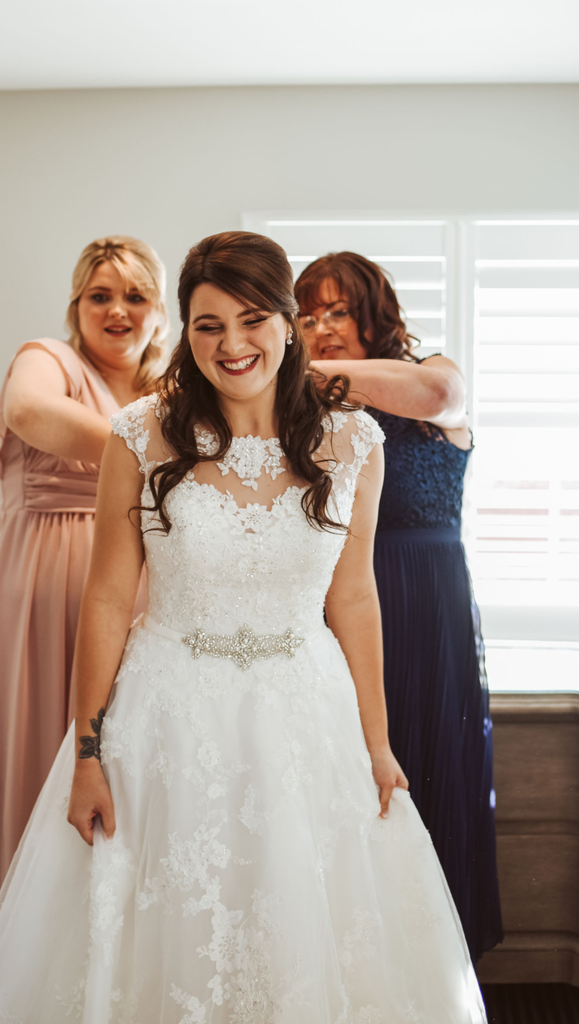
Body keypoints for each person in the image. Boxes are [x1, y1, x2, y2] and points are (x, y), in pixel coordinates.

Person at [0, 231, 486, 1024]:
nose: (231, 345)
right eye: (207, 326)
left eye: (250, 320)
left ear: (284, 322)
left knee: (302, 928)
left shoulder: (353, 443)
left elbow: (354, 600)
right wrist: (90, 751)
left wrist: (375, 744)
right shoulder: (139, 435)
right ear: (187, 331)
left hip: (306, 717)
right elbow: (106, 600)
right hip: (162, 722)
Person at [295, 250, 503, 962]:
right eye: (306, 313)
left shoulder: (431, 374)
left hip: (425, 608)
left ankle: (429, 964)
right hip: (335, 613)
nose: (320, 325)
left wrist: (285, 369)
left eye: (337, 310)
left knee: (425, 767)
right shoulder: (303, 413)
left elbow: (436, 396)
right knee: (342, 776)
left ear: (373, 314)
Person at [0, 235, 168, 948]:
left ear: (159, 311)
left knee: (126, 759)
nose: (117, 310)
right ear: (76, 305)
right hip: (47, 578)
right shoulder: (44, 359)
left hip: (140, 587)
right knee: (41, 746)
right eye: (99, 295)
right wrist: (159, 452)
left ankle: (112, 955)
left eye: (135, 296)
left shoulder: (165, 390)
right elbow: (29, 415)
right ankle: (22, 956)